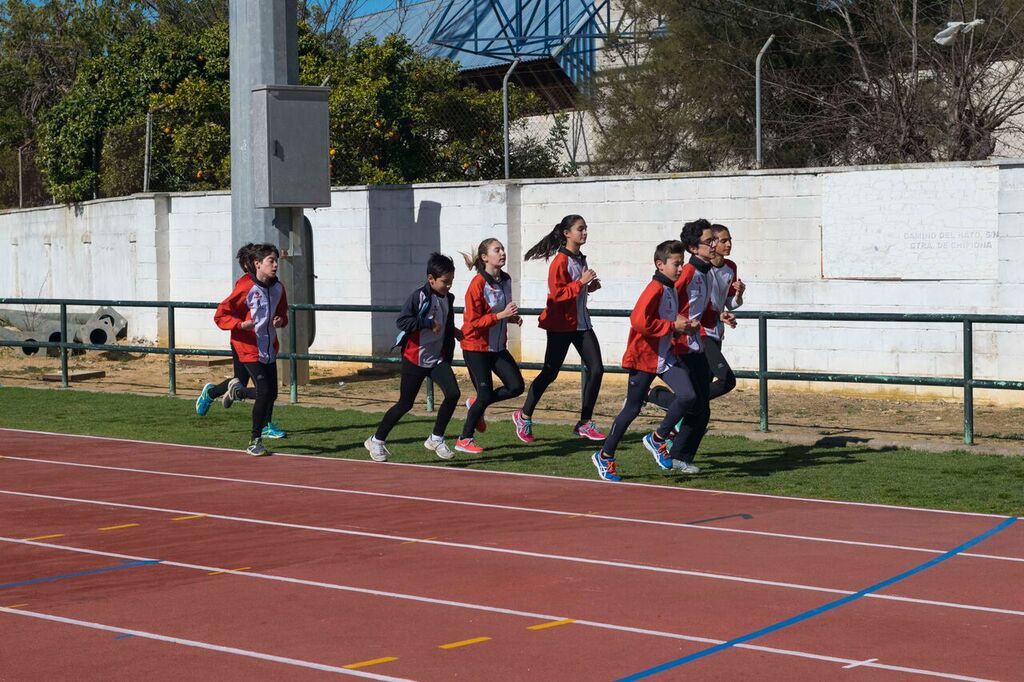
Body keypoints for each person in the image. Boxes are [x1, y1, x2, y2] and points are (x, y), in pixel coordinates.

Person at [591, 240, 701, 481]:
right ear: (660, 264)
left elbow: (668, 317)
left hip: (665, 356)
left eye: (682, 263)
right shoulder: (655, 288)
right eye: (676, 264)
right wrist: (672, 326)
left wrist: (685, 326)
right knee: (632, 408)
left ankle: (657, 438)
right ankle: (605, 455)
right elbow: (639, 320)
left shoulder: (670, 288)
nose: (680, 268)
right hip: (644, 358)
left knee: (688, 395)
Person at [512, 215, 606, 444]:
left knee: (597, 369)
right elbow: (557, 296)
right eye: (580, 229)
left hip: (581, 324)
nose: (584, 232)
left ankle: (584, 422)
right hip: (561, 325)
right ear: (567, 233)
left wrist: (589, 287)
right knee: (550, 372)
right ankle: (524, 416)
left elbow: (573, 291)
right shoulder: (560, 261)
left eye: (585, 228)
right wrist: (581, 283)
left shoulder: (580, 258)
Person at [364, 253, 461, 462]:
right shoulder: (419, 297)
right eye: (445, 282)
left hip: (437, 358)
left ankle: (436, 438)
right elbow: (403, 321)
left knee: (453, 393)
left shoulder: (448, 298)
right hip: (414, 358)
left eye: (451, 282)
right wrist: (427, 323)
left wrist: (455, 332)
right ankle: (376, 440)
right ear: (431, 279)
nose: (448, 286)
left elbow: (446, 321)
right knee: (405, 403)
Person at [640, 219, 719, 473]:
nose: (715, 244)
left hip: (696, 344)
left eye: (714, 240)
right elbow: (669, 303)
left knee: (700, 406)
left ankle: (677, 453)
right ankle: (670, 448)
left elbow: (704, 310)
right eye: (710, 241)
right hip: (680, 345)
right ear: (694, 248)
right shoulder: (687, 272)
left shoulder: (707, 272)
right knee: (697, 403)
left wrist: (720, 316)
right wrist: (677, 325)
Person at [648, 222, 745, 407]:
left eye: (729, 240)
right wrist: (678, 322)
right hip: (696, 334)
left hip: (713, 330)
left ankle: (674, 409)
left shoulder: (725, 268)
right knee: (724, 381)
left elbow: (724, 303)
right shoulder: (691, 270)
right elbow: (668, 299)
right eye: (719, 240)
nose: (726, 244)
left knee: (699, 393)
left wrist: (722, 313)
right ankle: (657, 397)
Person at [196, 244, 286, 440]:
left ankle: (219, 393)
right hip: (244, 345)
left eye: (276, 261)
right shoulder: (245, 286)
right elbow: (222, 314)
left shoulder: (277, 287)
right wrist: (240, 325)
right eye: (271, 261)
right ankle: (260, 429)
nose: (275, 265)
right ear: (255, 264)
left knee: (257, 388)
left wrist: (281, 320)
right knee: (260, 389)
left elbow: (282, 312)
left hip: (266, 346)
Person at [456, 238, 525, 454]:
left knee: (516, 386)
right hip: (475, 347)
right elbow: (473, 323)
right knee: (485, 394)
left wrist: (510, 317)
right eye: (497, 250)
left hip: (497, 347)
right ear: (485, 257)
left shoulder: (506, 279)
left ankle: (477, 404)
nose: (502, 253)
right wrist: (500, 315)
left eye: (503, 249)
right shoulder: (477, 284)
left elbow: (500, 311)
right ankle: (464, 439)